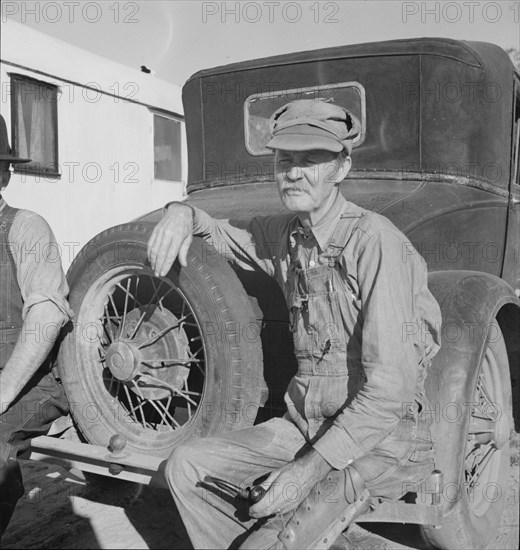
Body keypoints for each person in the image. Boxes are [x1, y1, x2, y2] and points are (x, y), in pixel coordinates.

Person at [147, 99, 442, 550]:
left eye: (311, 161)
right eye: (285, 160)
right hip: (306, 425)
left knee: (274, 538)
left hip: (378, 438)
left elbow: (390, 393)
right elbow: (221, 233)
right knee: (186, 465)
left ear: (342, 168)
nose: (293, 172)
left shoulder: (376, 243)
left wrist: (303, 472)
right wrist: (179, 212)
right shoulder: (288, 236)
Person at [0, 114, 72, 536]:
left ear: (5, 173)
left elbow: (46, 317)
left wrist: (3, 392)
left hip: (35, 378)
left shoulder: (25, 228)